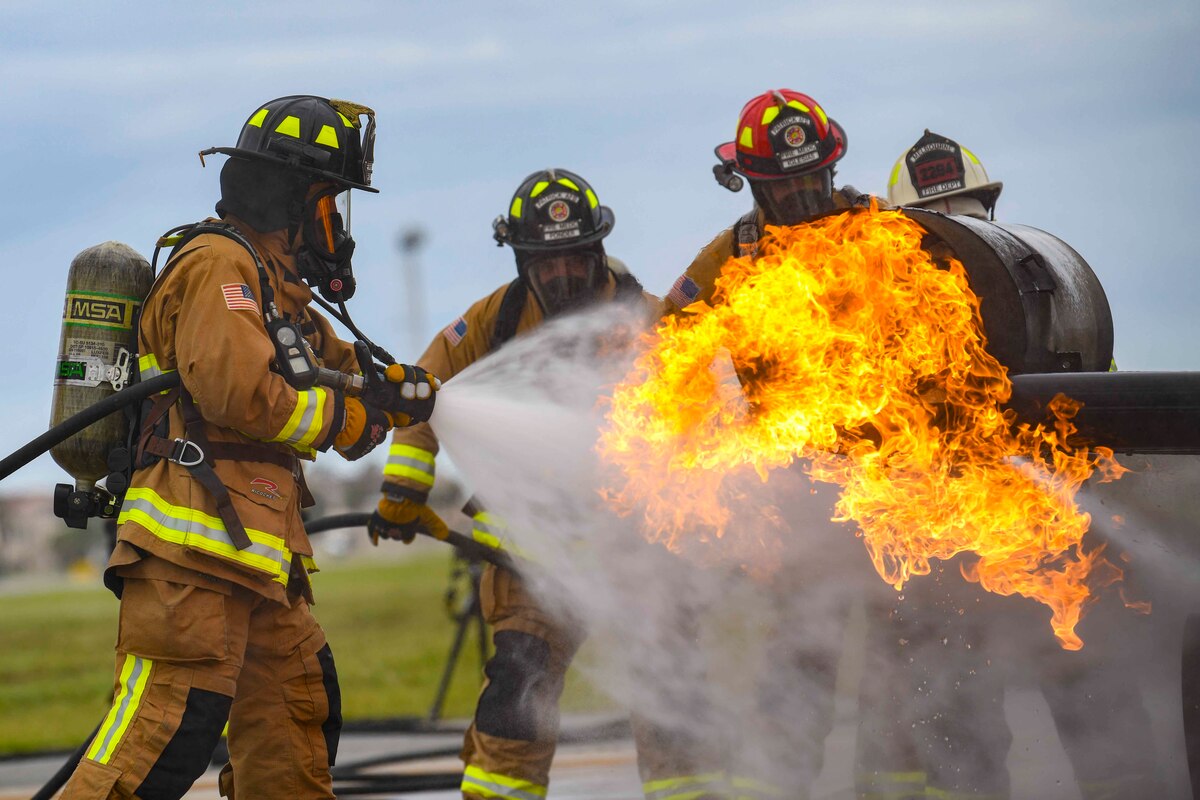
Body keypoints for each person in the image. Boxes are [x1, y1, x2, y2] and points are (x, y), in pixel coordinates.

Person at [60, 95, 438, 800]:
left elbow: (338, 370)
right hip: (192, 561)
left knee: (294, 727)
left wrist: (391, 391)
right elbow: (242, 393)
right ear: (292, 197)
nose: (336, 226)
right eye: (331, 202)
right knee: (158, 743)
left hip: (254, 566)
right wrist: (349, 419)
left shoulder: (274, 290)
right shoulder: (219, 267)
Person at [368, 169, 725, 800]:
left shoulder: (651, 322)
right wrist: (403, 493)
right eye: (545, 264)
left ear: (597, 251)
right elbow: (421, 389)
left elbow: (701, 425)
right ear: (521, 260)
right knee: (518, 699)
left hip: (641, 559)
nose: (561, 277)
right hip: (533, 560)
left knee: (677, 699)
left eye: (573, 261)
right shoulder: (494, 319)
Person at [852, 129, 1166, 800]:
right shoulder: (884, 330)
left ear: (991, 218)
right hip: (948, 575)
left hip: (1057, 556)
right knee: (956, 750)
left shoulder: (1050, 310)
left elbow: (1105, 430)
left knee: (1104, 741)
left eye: (964, 222)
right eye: (938, 230)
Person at [660, 88, 885, 799]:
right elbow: (670, 343)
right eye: (779, 185)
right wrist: (712, 435)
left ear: (831, 169)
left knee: (912, 678)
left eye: (806, 181)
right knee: (794, 680)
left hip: (897, 500)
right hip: (800, 512)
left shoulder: (884, 236)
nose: (795, 197)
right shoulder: (734, 253)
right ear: (751, 182)